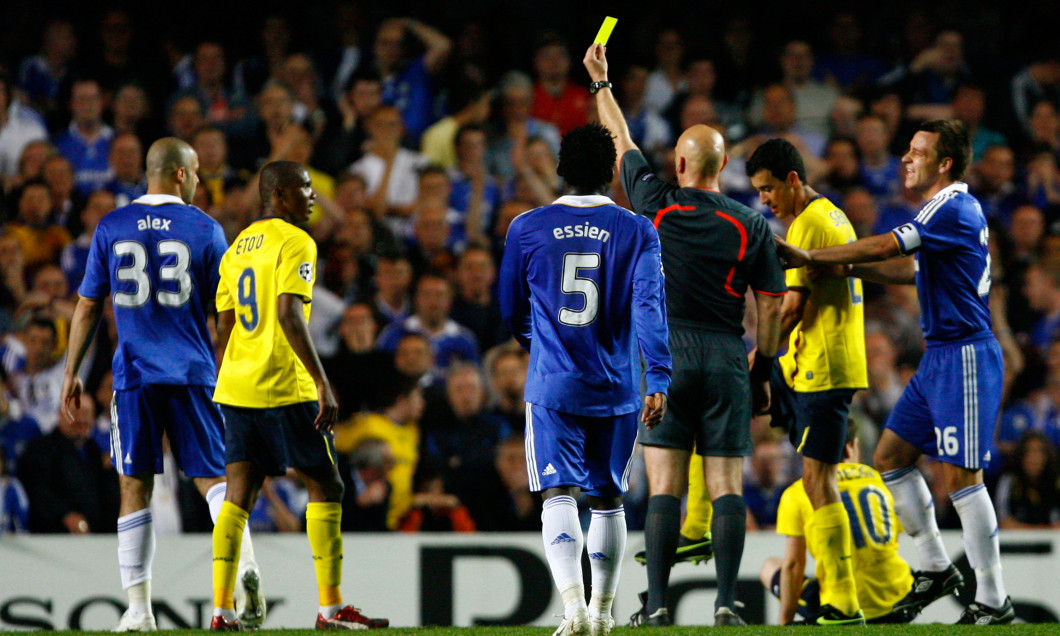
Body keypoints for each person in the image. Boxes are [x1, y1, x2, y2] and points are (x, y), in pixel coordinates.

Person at [775, 120, 1013, 624]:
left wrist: (813, 255)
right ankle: (935, 568)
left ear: (944, 163)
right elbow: (911, 269)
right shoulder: (942, 212)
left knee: (962, 478)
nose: (906, 158)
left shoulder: (951, 206)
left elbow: (889, 247)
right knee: (889, 458)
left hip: (967, 355)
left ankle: (993, 599)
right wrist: (847, 269)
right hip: (941, 355)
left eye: (916, 151)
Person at [584, 43, 786, 627]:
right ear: (722, 168)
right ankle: (726, 601)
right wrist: (763, 367)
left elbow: (620, 142)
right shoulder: (750, 223)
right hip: (727, 354)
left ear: (678, 165)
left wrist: (602, 84)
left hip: (665, 354)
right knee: (725, 483)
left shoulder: (656, 202)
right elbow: (769, 307)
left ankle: (661, 604)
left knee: (665, 482)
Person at [60, 137, 264, 631]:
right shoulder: (205, 228)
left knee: (134, 484)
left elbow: (88, 306)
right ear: (178, 173)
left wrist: (72, 372)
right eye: (195, 172)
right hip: (194, 371)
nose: (198, 181)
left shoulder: (111, 226)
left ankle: (139, 609)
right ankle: (248, 568)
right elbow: (227, 312)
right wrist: (222, 362)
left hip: (134, 377)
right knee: (215, 479)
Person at [498, 122, 671, 636]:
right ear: (612, 171)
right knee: (609, 497)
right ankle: (601, 612)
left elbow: (510, 307)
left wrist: (540, 343)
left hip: (554, 385)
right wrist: (657, 375)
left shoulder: (527, 226)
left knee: (557, 493)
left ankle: (572, 610)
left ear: (559, 169)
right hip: (617, 385)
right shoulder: (638, 229)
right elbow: (648, 305)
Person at [209, 160, 388, 631]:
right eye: (306, 188)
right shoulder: (296, 242)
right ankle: (331, 610)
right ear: (281, 193)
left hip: (238, 383)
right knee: (326, 485)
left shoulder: (236, 249)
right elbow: (289, 315)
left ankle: (221, 612)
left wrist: (223, 379)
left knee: (238, 495)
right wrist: (322, 381)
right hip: (284, 383)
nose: (313, 197)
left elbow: (223, 328)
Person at [746, 138, 868, 624]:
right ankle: (840, 593)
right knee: (818, 478)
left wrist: (758, 356)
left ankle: (843, 599)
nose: (764, 199)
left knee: (818, 481)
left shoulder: (810, 224)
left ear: (793, 180)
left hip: (825, 365)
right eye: (758, 191)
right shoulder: (832, 215)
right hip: (822, 363)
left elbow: (793, 306)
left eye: (769, 188)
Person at [760, 420, 915, 625]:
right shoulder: (880, 481)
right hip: (899, 601)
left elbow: (794, 566)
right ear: (850, 448)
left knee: (770, 566)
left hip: (841, 608)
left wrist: (785, 623)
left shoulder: (798, 492)